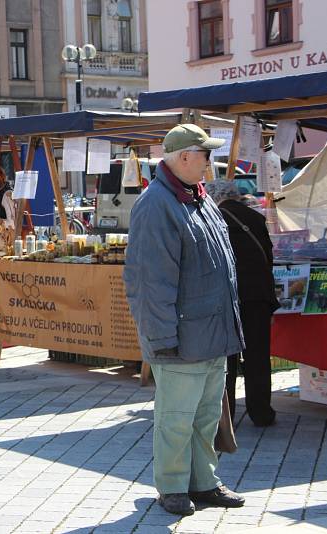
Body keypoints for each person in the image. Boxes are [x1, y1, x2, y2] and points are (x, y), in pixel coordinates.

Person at [124, 124, 246, 516]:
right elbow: (149, 281)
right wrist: (161, 338)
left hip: (211, 333)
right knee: (176, 418)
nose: (211, 161)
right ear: (184, 157)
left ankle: (204, 481)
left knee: (206, 417)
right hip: (180, 336)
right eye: (205, 153)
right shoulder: (156, 204)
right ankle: (173, 486)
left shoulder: (199, 197)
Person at [206, 180, 279, 428]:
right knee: (258, 355)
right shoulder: (256, 218)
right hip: (258, 297)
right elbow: (267, 258)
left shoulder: (213, 219)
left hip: (228, 296)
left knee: (227, 358)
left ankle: (225, 415)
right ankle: (261, 412)